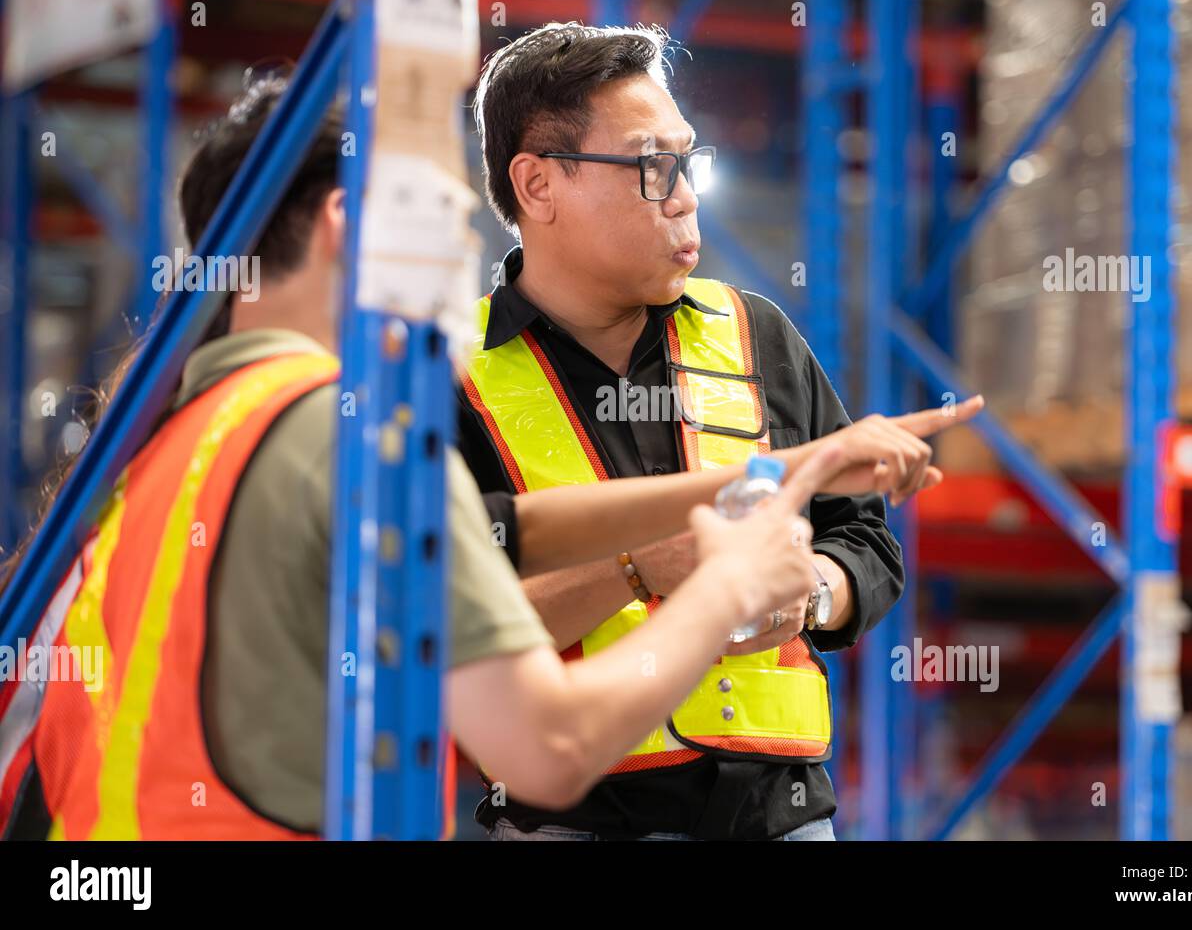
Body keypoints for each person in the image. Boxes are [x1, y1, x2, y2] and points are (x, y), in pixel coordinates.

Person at [0, 77, 980, 840]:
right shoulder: (357, 433)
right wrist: (725, 586)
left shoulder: (166, 440)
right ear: (348, 222)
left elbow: (492, 529)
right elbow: (545, 747)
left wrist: (780, 473)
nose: (458, 251)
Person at [459, 21, 975, 842]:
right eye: (648, 166)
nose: (686, 195)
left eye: (686, 161)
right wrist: (637, 569)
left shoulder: (755, 334)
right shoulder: (454, 380)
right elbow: (448, 631)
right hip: (575, 821)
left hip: (780, 817)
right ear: (537, 185)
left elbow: (865, 544)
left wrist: (811, 595)